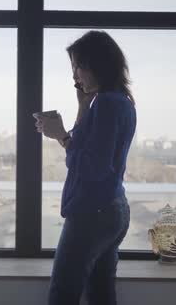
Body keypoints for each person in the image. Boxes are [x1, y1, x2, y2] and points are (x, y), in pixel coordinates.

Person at [34, 30, 137, 305]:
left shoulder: (106, 104)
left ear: (98, 65)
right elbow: (91, 154)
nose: (75, 75)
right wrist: (82, 109)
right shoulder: (120, 102)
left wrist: (62, 136)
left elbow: (91, 168)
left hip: (93, 212)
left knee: (62, 294)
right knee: (101, 294)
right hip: (113, 208)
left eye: (78, 66)